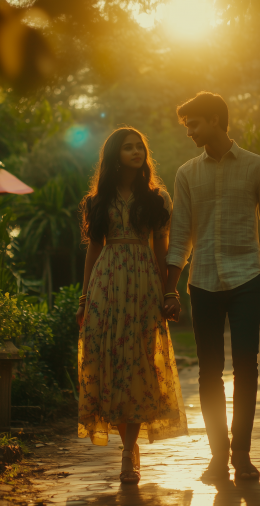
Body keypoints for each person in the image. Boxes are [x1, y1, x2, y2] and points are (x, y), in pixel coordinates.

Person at [163, 92, 260, 481]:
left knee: (245, 367)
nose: (188, 132)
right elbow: (180, 234)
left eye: (193, 123)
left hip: (247, 279)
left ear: (215, 120)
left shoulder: (258, 167)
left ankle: (242, 453)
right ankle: (218, 455)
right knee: (208, 372)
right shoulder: (187, 173)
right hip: (202, 282)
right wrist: (170, 288)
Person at [76, 127, 188, 484]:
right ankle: (127, 444)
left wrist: (169, 292)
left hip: (142, 283)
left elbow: (162, 249)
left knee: (139, 363)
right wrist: (83, 299)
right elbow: (94, 248)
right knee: (110, 360)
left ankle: (129, 451)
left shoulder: (156, 199)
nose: (137, 152)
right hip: (106, 283)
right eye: (128, 147)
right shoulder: (97, 200)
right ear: (114, 155)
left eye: (140, 146)